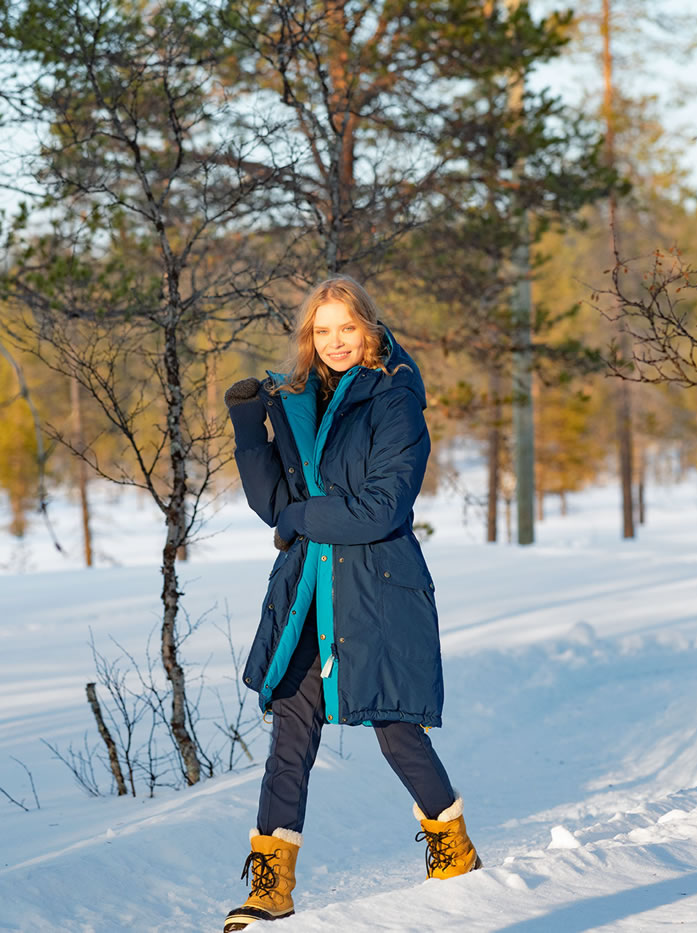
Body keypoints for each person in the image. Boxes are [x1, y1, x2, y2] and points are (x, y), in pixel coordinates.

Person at [221, 275, 479, 931]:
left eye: (347, 328)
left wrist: (299, 518)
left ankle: (454, 849)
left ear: (369, 327)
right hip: (311, 589)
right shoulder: (301, 400)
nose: (335, 342)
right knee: (290, 737)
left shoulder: (394, 397)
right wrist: (250, 431)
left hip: (377, 588)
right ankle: (271, 887)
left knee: (396, 731)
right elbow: (274, 505)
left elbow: (379, 508)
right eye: (322, 330)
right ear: (309, 337)